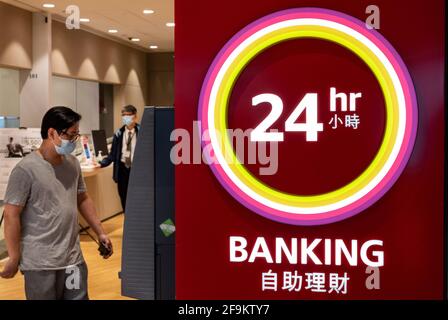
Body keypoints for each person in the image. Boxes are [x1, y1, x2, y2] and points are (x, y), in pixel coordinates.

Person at [0, 106, 113, 300]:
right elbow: (11, 215)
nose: (74, 141)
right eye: (71, 135)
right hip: (40, 264)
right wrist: (14, 256)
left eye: (77, 135)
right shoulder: (25, 170)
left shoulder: (72, 164)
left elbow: (82, 198)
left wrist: (100, 231)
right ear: (52, 133)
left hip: (72, 260)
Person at [100, 105, 140, 212]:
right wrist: (101, 163)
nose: (125, 118)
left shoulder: (142, 132)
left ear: (135, 116)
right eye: (123, 115)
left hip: (137, 170)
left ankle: (138, 223)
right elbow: (112, 154)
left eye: (128, 115)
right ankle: (128, 223)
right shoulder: (118, 134)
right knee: (124, 197)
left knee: (138, 198)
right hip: (122, 170)